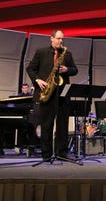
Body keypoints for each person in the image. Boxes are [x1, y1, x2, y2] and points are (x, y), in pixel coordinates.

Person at [26, 29, 78, 161]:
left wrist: (67, 69)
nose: (61, 41)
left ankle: (61, 153)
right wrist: (37, 80)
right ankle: (46, 154)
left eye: (62, 39)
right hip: (46, 93)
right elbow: (30, 68)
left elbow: (75, 70)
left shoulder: (67, 54)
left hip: (62, 95)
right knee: (46, 125)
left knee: (62, 126)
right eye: (59, 38)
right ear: (52, 38)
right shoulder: (41, 52)